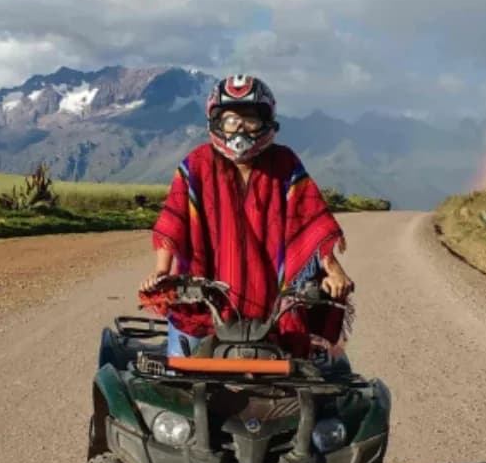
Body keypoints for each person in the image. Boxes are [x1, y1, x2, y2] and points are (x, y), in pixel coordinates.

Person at [143, 75, 353, 359]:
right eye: (231, 120)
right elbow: (174, 220)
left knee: (310, 371)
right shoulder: (197, 164)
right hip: (205, 302)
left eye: (250, 119)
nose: (240, 128)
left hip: (271, 305)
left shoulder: (284, 163)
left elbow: (310, 219)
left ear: (266, 121)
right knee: (181, 369)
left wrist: (334, 271)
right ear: (217, 122)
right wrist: (160, 272)